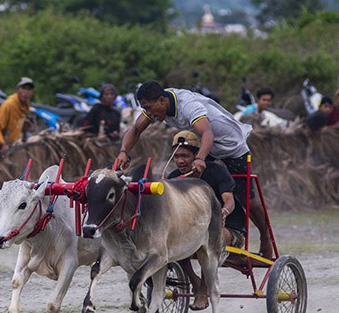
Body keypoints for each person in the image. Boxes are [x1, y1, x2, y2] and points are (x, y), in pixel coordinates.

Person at [117, 80, 273, 258]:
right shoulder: (158, 105)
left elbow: (208, 134)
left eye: (150, 108)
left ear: (162, 100)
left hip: (231, 145)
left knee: (247, 199)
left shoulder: (188, 106)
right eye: (146, 109)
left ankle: (265, 237)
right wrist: (123, 152)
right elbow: (136, 129)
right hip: (207, 146)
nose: (150, 113)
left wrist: (200, 158)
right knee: (191, 188)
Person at [167, 131, 246, 311]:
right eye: (177, 156)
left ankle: (203, 290)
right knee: (171, 242)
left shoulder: (217, 172)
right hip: (192, 230)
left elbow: (229, 200)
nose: (180, 161)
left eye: (185, 156)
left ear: (196, 156)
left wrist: (223, 213)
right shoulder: (172, 178)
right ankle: (194, 281)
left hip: (228, 231)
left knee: (211, 239)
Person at [0, 77, 34, 154]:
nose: (25, 92)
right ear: (17, 89)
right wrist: (2, 144)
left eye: (29, 89)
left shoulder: (25, 105)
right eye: (23, 88)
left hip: (15, 145)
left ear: (32, 92)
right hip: (5, 147)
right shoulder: (8, 105)